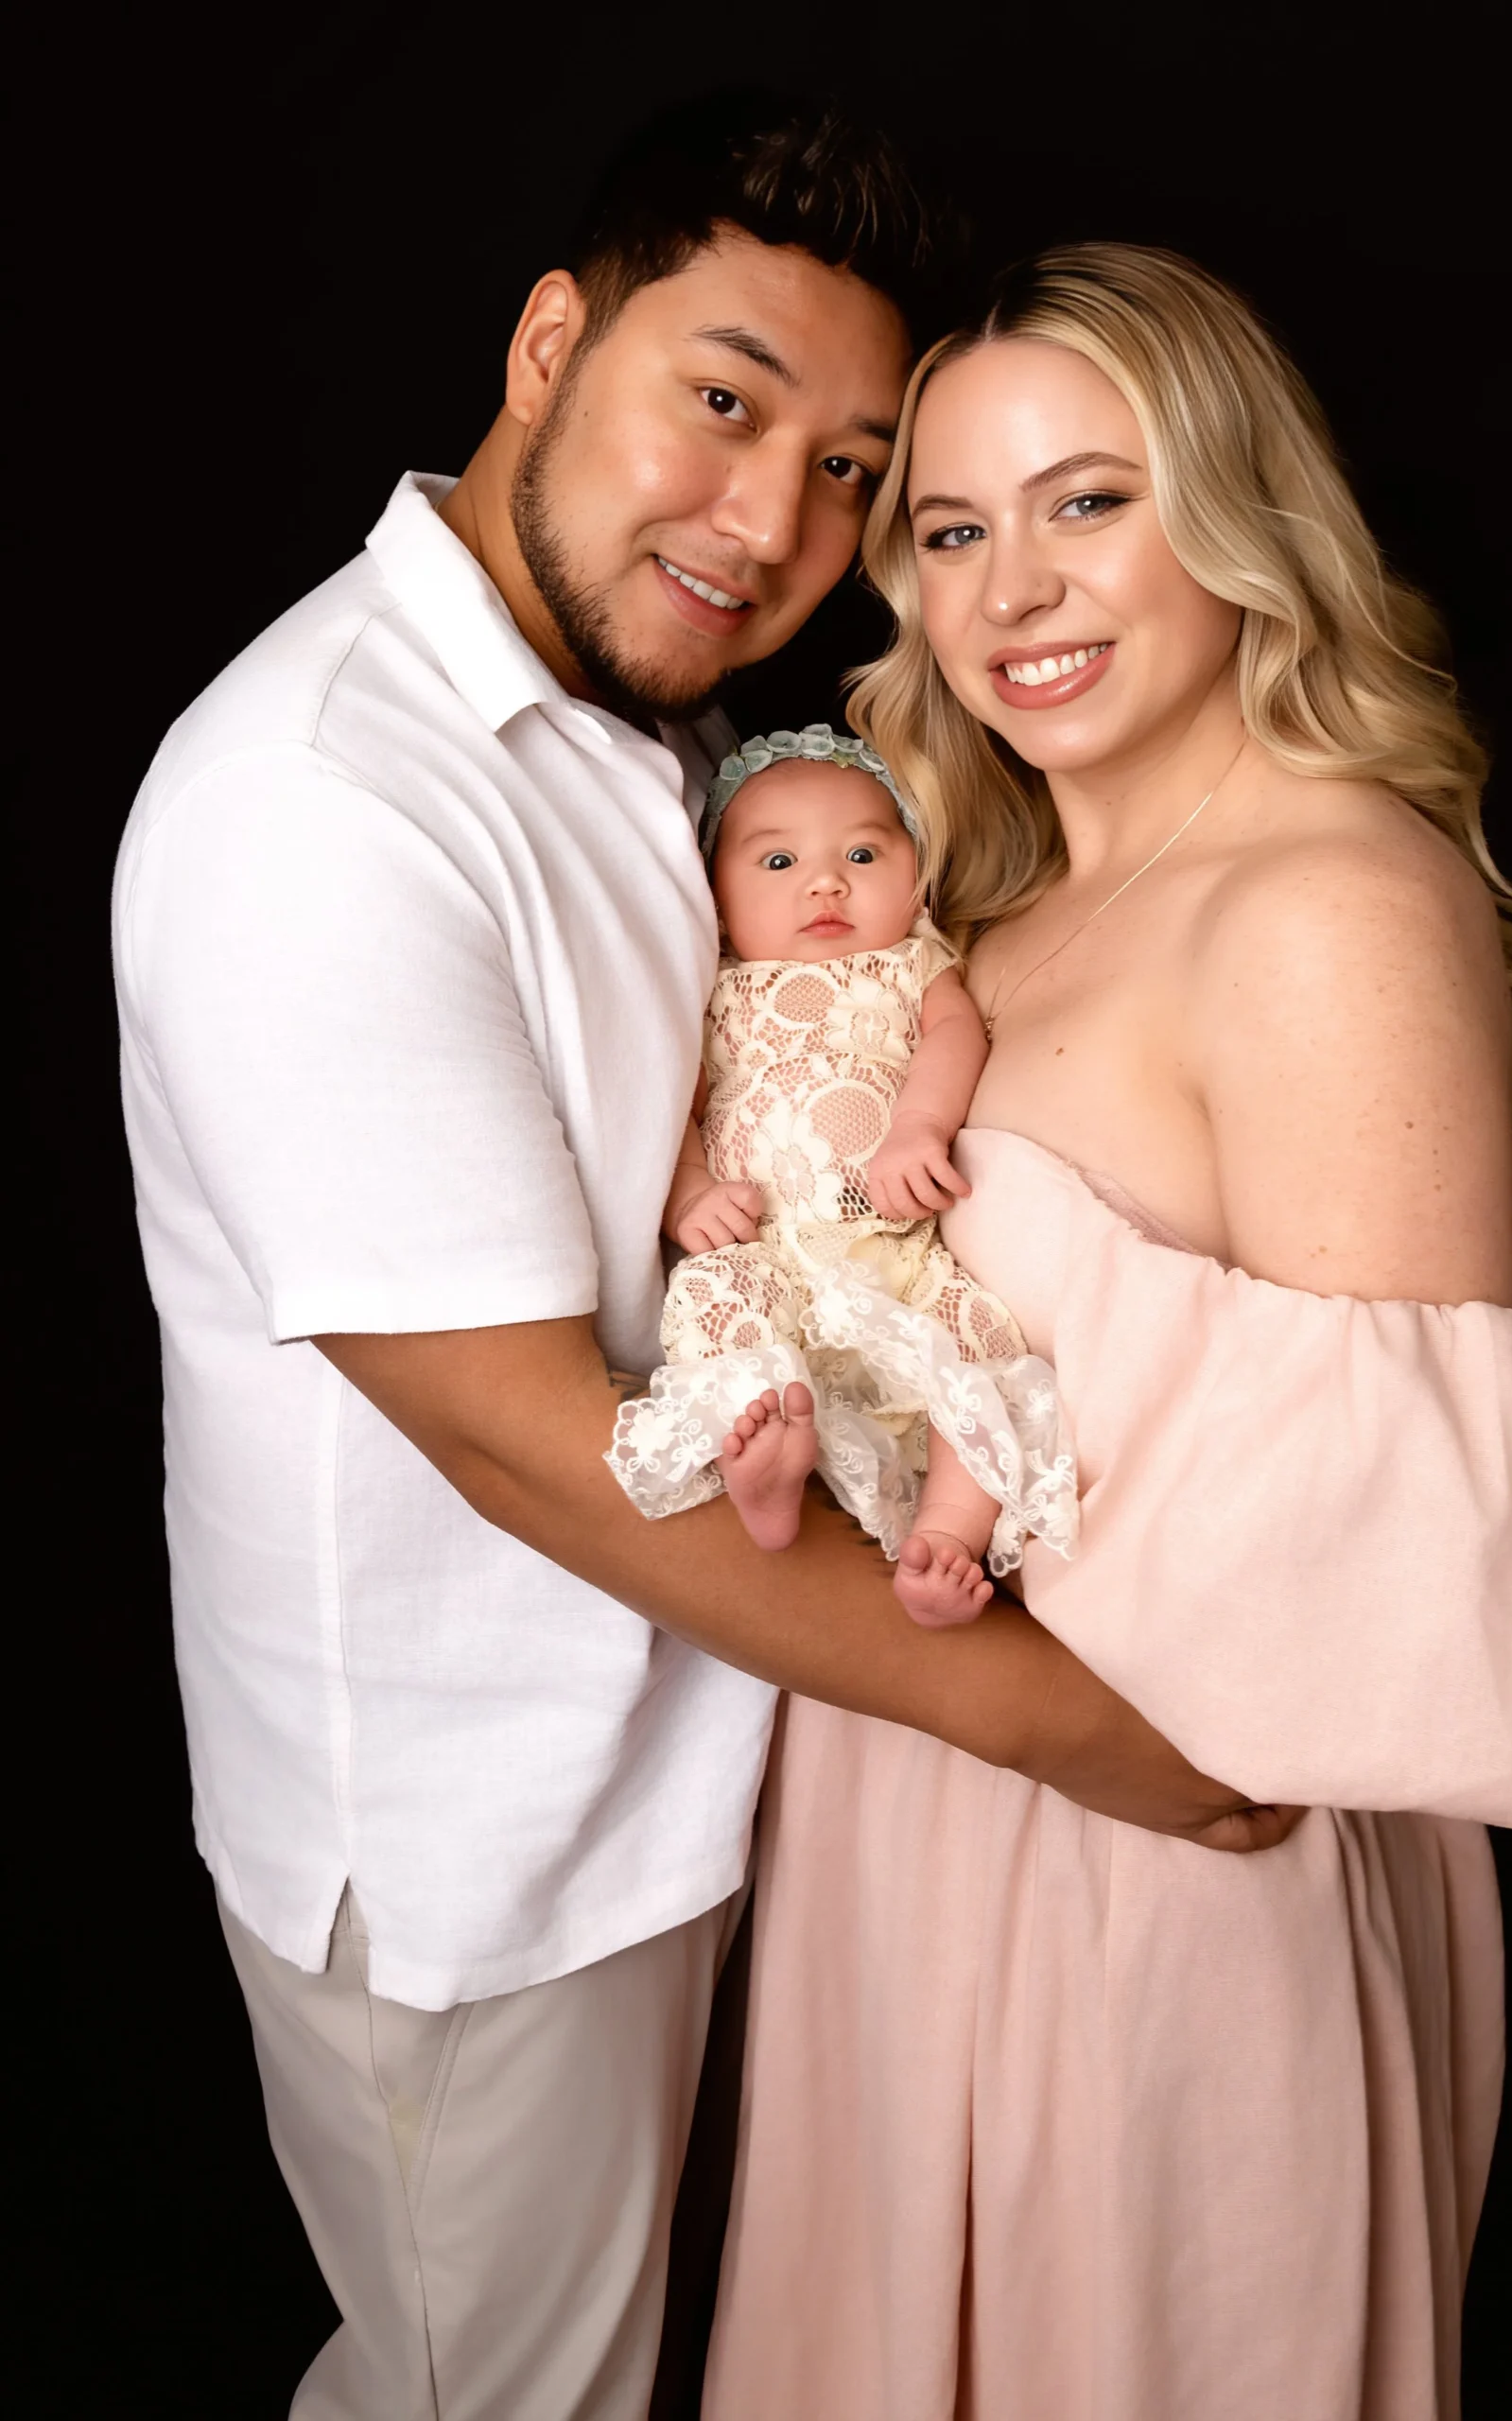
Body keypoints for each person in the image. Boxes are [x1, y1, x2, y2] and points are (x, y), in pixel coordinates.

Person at [113, 109, 1299, 2421]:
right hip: (484, 1855)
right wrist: (1099, 1739)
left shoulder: (639, 724)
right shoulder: (319, 801)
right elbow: (521, 1438)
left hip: (698, 1749)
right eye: (723, 400)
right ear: (553, 340)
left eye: (852, 467)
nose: (774, 526)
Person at [703, 244, 1512, 2420]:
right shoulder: (985, 915)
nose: (1013, 587)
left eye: (1088, 499)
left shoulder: (1323, 896)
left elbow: (1401, 1572)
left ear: (1239, 514)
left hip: (1164, 1873)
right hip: (904, 1821)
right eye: (950, 529)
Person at [606, 721, 1078, 1626]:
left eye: (863, 852)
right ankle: (765, 1476)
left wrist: (918, 1129)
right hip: (769, 1245)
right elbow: (675, 1114)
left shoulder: (915, 966)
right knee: (719, 1300)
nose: (825, 882)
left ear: (918, 879)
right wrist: (691, 1195)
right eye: (776, 864)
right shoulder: (714, 989)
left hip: (893, 1245)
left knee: (978, 1356)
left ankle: (946, 1535)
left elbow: (954, 1037)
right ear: (713, 895)